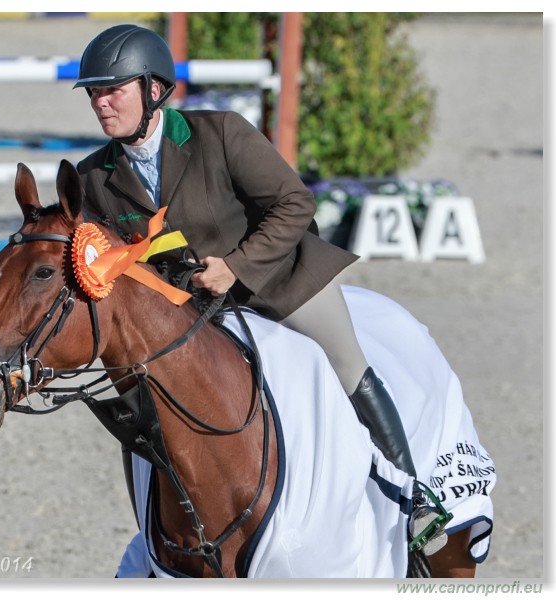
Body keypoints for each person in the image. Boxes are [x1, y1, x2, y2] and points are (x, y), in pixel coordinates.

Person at [73, 24, 447, 555]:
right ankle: (160, 540)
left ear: (154, 89)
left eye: (113, 89)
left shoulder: (220, 133)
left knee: (346, 364)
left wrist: (236, 267)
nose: (100, 103)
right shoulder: (94, 177)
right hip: (192, 310)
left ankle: (416, 498)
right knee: (140, 400)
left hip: (278, 281)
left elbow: (295, 203)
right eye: (94, 93)